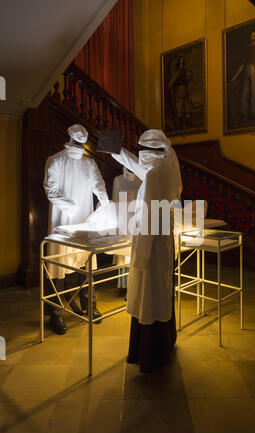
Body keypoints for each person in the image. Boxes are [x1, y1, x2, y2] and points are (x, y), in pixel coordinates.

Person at [111, 129, 182, 373]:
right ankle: (164, 344)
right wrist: (117, 151)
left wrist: (140, 256)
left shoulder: (153, 174)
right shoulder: (165, 168)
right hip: (163, 239)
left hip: (150, 242)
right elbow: (141, 169)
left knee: (148, 294)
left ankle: (148, 355)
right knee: (162, 292)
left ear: (149, 152)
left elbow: (150, 217)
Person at [43, 124, 109, 335]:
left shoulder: (89, 164)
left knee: (85, 263)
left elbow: (99, 185)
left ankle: (89, 306)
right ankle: (55, 313)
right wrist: (71, 207)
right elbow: (51, 190)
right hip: (61, 223)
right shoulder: (55, 160)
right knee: (57, 267)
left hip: (84, 223)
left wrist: (105, 203)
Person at [112, 167, 141, 296]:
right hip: (124, 222)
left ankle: (138, 286)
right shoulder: (118, 180)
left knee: (138, 254)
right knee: (125, 255)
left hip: (139, 221)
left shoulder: (142, 179)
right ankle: (127, 287)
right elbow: (115, 202)